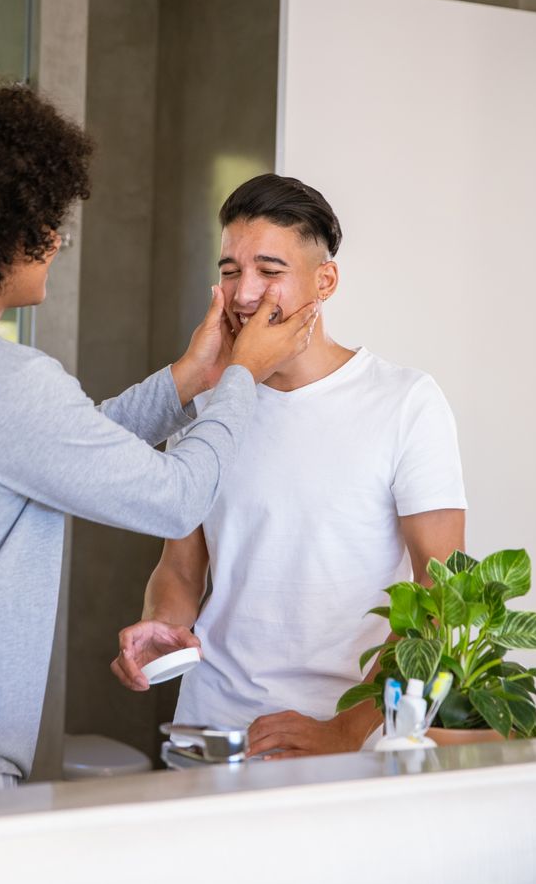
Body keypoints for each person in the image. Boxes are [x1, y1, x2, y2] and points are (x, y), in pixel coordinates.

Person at [0, 81, 318, 805]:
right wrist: (241, 374)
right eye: (44, 224)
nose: (56, 240)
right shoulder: (7, 384)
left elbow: (52, 455)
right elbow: (175, 499)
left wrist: (191, 377)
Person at [113, 173, 467, 758]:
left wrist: (345, 732)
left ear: (324, 280)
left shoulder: (405, 401)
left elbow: (443, 594)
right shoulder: (208, 405)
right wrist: (163, 625)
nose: (245, 294)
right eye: (230, 271)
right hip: (213, 732)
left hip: (344, 739)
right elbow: (180, 567)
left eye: (270, 272)